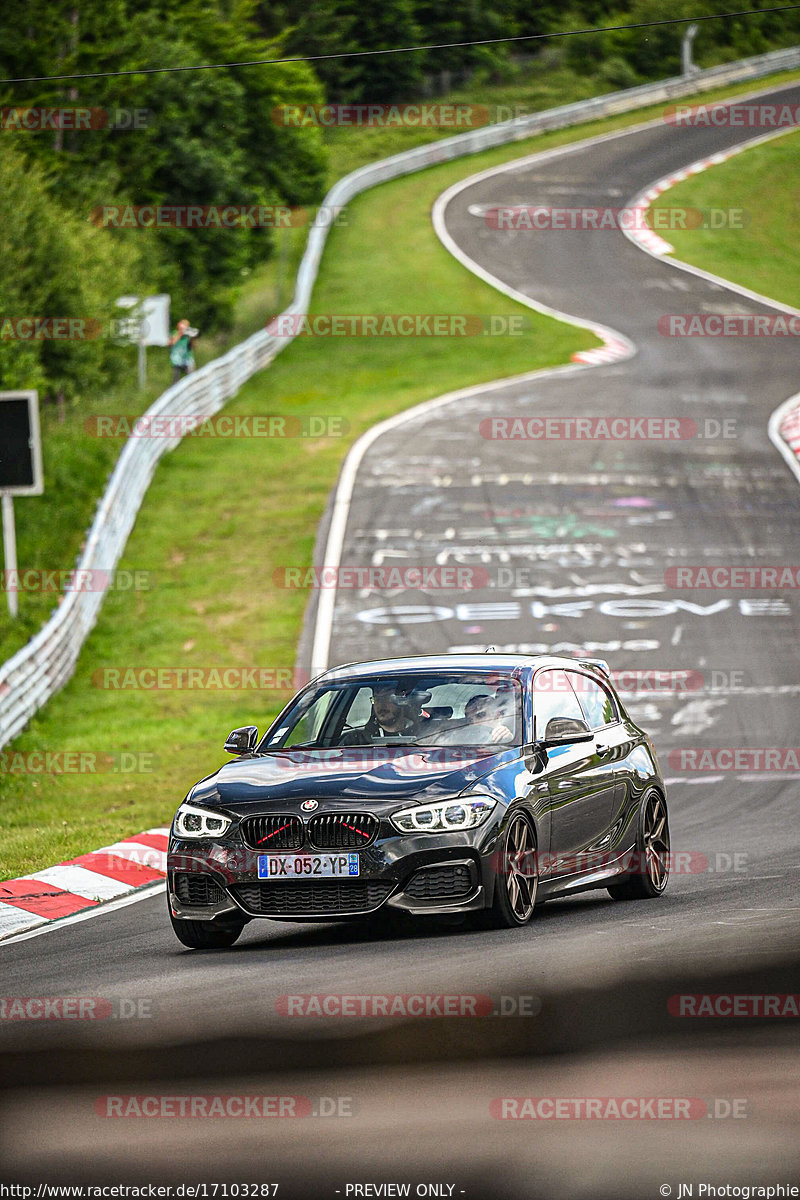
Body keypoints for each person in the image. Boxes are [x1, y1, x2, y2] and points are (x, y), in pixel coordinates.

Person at [341, 682, 426, 745]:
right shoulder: (355, 741)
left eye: (387, 698)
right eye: (377, 699)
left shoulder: (425, 735)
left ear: (401, 701)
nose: (381, 704)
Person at [169, 319, 198, 383]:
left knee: (192, 378)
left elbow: (193, 347)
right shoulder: (174, 333)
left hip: (187, 359)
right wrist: (180, 334)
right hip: (176, 359)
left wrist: (192, 338)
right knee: (175, 379)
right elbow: (171, 343)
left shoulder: (187, 336)